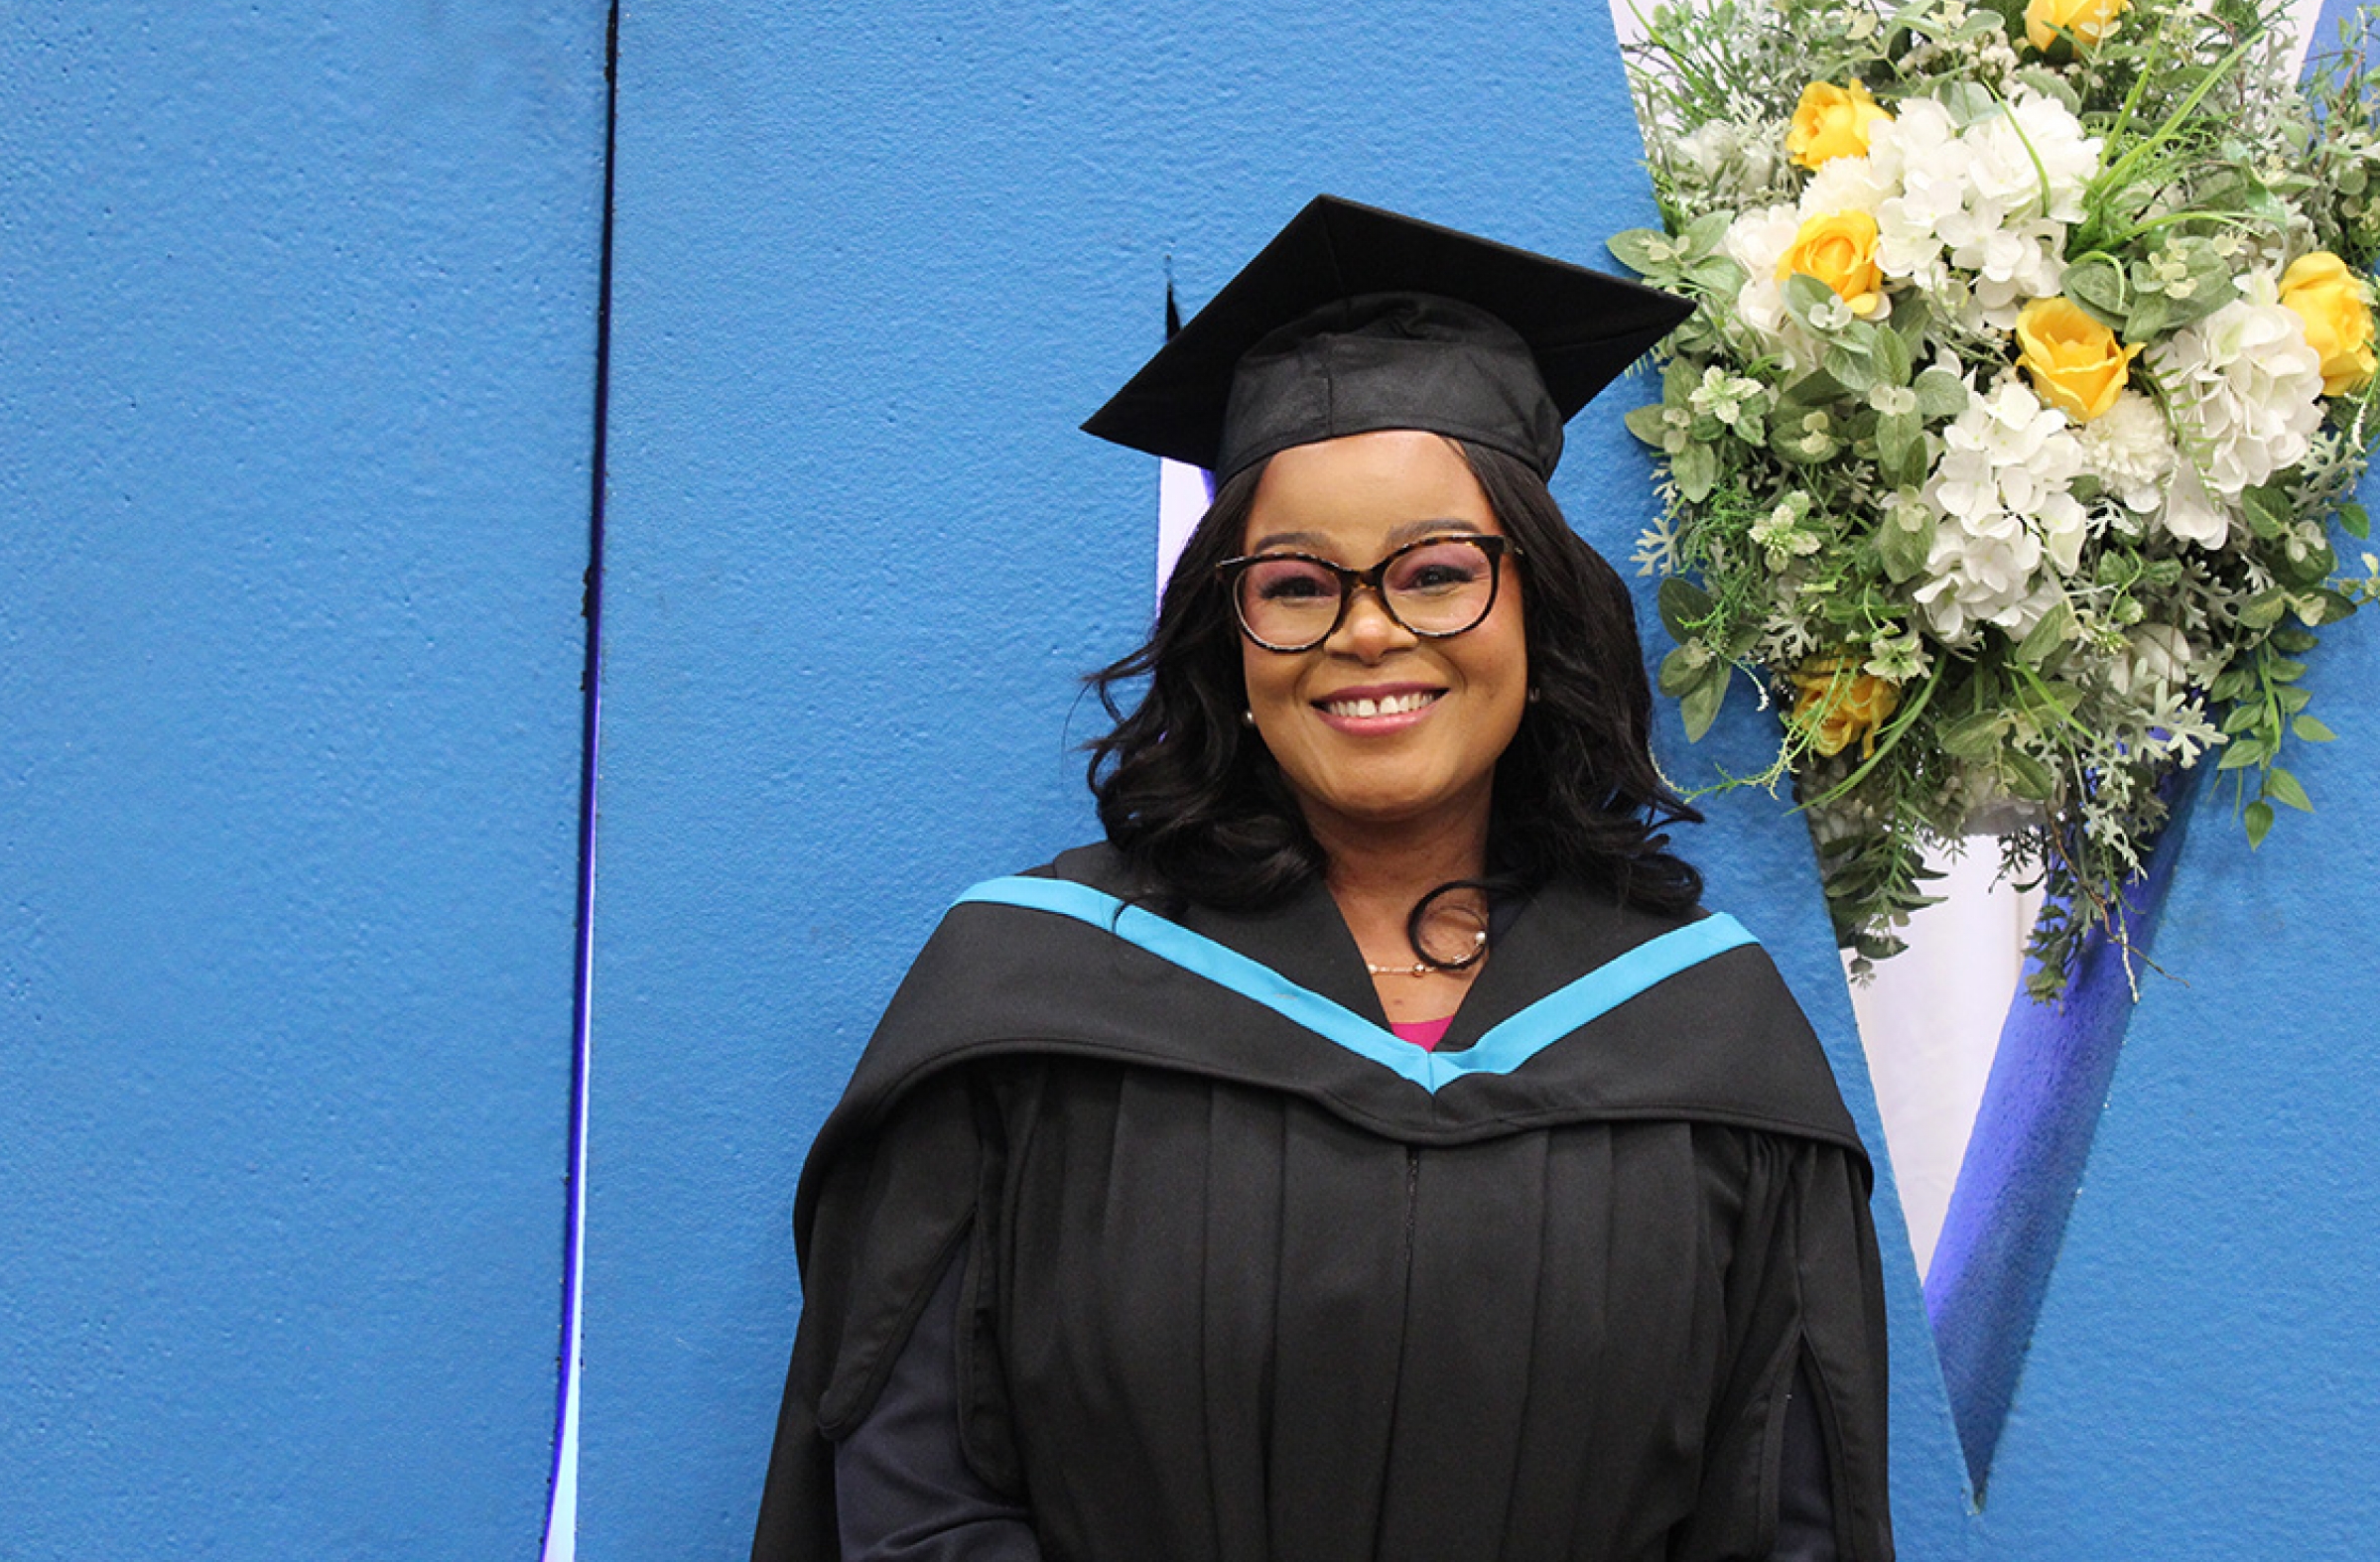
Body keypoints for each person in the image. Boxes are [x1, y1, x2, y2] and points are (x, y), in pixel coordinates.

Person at [751, 195, 1893, 1562]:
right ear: (1225, 632)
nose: (1367, 632)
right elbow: (914, 1498)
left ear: (1541, 605)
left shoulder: (1708, 1039)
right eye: (1296, 585)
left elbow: (1788, 1525)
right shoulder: (1029, 996)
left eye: (1435, 573)